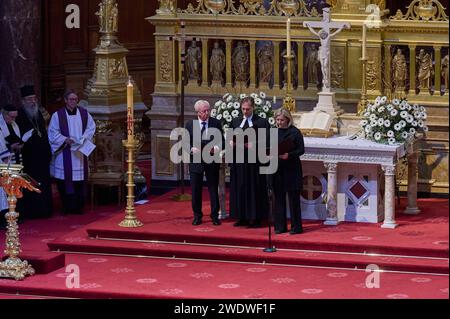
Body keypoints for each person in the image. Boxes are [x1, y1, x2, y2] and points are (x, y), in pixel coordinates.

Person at [48, 90, 96, 215]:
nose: (73, 101)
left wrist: (83, 139)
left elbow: (91, 128)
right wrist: (65, 139)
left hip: (79, 154)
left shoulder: (85, 114)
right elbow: (53, 132)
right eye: (71, 99)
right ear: (65, 100)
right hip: (65, 153)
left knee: (79, 182)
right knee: (64, 181)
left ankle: (79, 207)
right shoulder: (57, 115)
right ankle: (66, 207)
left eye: (75, 99)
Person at [229, 97, 270, 228]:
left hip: (255, 162)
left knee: (254, 188)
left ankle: (256, 218)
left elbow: (267, 141)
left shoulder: (261, 122)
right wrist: (231, 143)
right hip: (239, 161)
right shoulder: (235, 121)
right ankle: (241, 217)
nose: (245, 111)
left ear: (253, 108)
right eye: (243, 109)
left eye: (248, 109)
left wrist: (254, 144)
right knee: (239, 187)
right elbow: (229, 139)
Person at [15, 85, 53, 219]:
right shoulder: (19, 115)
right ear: (23, 101)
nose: (32, 102)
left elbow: (43, 132)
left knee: (44, 183)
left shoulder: (38, 113)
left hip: (42, 155)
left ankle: (46, 210)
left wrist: (48, 150)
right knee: (32, 183)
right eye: (29, 99)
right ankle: (33, 211)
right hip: (29, 157)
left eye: (34, 99)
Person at [185, 100, 223, 226]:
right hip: (196, 161)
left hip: (211, 160)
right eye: (204, 111)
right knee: (196, 190)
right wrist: (191, 149)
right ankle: (197, 216)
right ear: (198, 112)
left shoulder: (215, 123)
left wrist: (215, 149)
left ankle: (214, 216)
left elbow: (221, 141)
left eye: (208, 110)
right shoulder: (190, 125)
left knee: (213, 188)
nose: (207, 113)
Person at [272, 108, 305, 234]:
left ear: (288, 119)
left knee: (293, 199)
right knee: (279, 198)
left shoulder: (295, 132)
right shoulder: (273, 131)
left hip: (292, 169)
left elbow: (301, 150)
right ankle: (280, 226)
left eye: (281, 120)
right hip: (278, 169)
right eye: (277, 120)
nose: (279, 122)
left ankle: (296, 227)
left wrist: (289, 155)